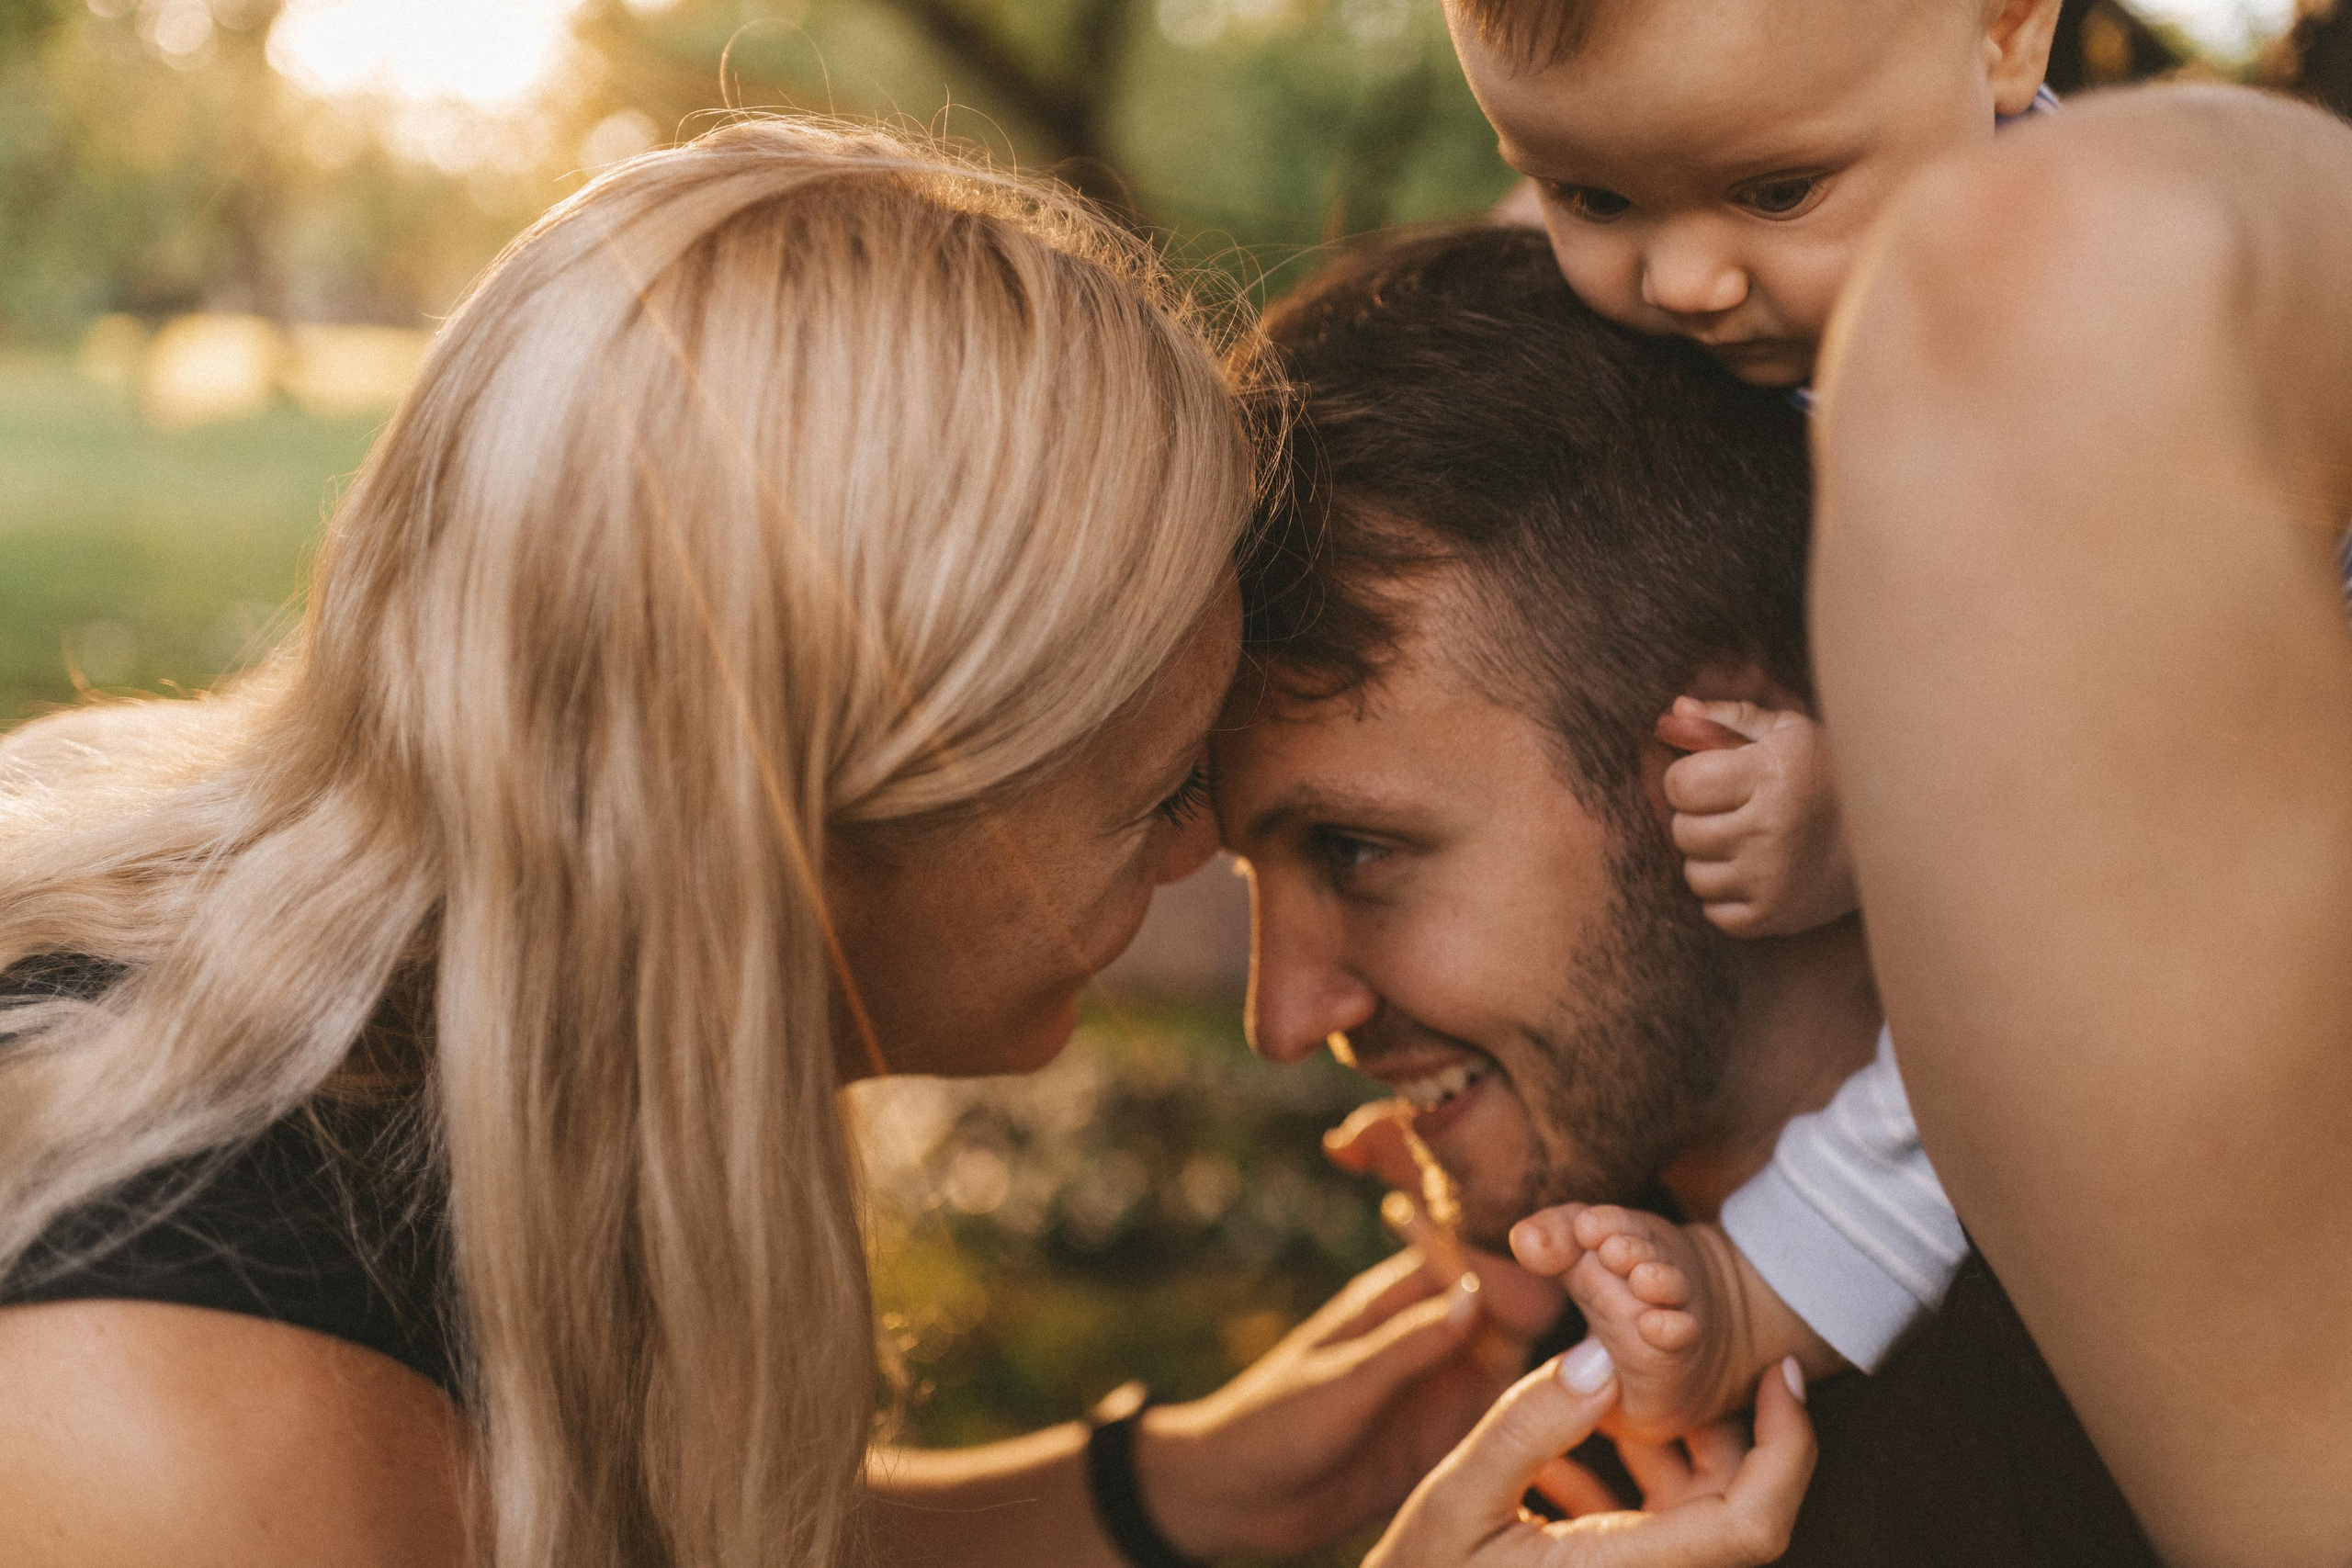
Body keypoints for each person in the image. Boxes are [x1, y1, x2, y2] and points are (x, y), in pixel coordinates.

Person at [0, 118, 1526, 1568]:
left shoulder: (439, 1075)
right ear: (809, 821)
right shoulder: (186, 1428)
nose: (1202, 854)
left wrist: (1170, 1492)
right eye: (1161, 793)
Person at [1219, 218, 2175, 1564]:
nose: (1281, 1013)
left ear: (1730, 737)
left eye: (1355, 851)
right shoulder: (1549, 1387)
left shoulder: (2168, 1358)